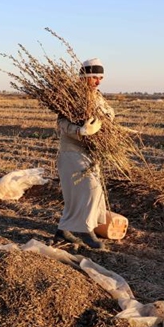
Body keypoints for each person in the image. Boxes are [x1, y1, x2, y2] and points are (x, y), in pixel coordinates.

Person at [54, 58, 114, 249]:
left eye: (101, 77)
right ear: (84, 77)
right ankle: (84, 230)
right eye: (94, 77)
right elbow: (61, 123)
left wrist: (106, 122)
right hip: (72, 150)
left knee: (80, 192)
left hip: (90, 151)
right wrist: (81, 131)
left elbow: (109, 113)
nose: (98, 81)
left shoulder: (97, 96)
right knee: (89, 188)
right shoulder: (71, 96)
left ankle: (63, 230)